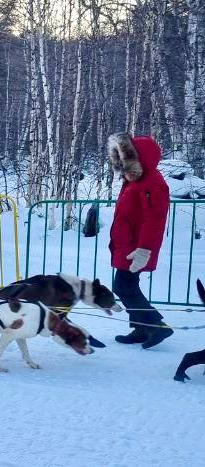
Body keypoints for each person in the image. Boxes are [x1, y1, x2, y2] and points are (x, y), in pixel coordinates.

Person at [107, 133, 173, 349]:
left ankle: (156, 326)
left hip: (136, 247)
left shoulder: (152, 182)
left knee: (123, 287)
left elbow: (154, 219)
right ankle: (141, 327)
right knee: (128, 285)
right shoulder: (134, 180)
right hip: (127, 244)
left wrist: (144, 249)